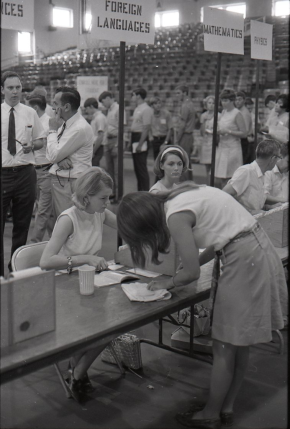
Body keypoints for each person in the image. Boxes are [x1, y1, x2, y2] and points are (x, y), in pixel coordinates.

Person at [117, 183, 287, 429]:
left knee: (225, 344)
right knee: (237, 341)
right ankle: (225, 406)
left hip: (244, 257)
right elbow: (219, 235)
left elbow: (192, 275)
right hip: (250, 248)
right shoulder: (179, 196)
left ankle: (211, 414)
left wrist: (169, 282)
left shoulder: (175, 216)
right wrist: (189, 264)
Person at [40, 167, 117, 402]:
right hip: (64, 286)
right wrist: (86, 258)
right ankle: (78, 372)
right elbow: (46, 262)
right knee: (101, 328)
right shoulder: (68, 219)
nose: (107, 203)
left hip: (88, 283)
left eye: (109, 198)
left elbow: (127, 224)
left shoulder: (99, 212)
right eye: (103, 198)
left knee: (114, 325)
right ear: (87, 196)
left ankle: (77, 371)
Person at [1, 71, 45, 271]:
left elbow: (41, 140)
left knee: (22, 225)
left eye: (18, 87)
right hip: (2, 174)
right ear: (2, 90)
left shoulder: (30, 112)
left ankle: (14, 268)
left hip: (25, 173)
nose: (15, 91)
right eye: (10, 87)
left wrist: (32, 146)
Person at [46, 87, 94, 218]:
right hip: (64, 180)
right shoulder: (65, 123)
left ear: (66, 107)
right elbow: (51, 150)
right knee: (61, 221)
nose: (52, 107)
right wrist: (59, 158)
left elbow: (52, 154)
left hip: (70, 182)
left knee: (67, 222)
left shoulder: (78, 128)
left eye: (55, 103)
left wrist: (51, 131)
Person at [222, 139, 280, 215]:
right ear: (272, 159)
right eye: (278, 158)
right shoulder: (246, 171)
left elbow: (255, 206)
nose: (278, 161)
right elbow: (224, 195)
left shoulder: (264, 175)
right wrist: (250, 212)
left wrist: (269, 208)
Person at [27, 94, 54, 243]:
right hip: (37, 170)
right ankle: (56, 240)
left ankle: (34, 242)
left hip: (45, 170)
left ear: (35, 108)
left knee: (43, 210)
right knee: (46, 211)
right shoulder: (38, 123)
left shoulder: (47, 124)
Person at [215, 89, 247, 189]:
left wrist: (228, 131)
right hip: (222, 147)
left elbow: (244, 133)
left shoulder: (237, 113)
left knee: (230, 178)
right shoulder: (223, 112)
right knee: (221, 177)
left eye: (226, 100)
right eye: (222, 100)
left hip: (233, 148)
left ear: (232, 100)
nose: (223, 103)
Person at [130, 87, 153, 191]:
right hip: (135, 137)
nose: (132, 97)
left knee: (141, 167)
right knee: (137, 168)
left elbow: (146, 127)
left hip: (140, 137)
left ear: (138, 96)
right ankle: (140, 190)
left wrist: (140, 143)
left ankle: (145, 191)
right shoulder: (137, 108)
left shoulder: (146, 109)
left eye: (133, 95)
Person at [99, 91, 119, 202]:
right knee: (110, 171)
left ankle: (118, 194)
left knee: (116, 171)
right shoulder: (109, 111)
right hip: (108, 141)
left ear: (108, 98)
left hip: (115, 141)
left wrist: (117, 145)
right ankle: (113, 193)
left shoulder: (118, 109)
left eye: (103, 102)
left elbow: (122, 128)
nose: (103, 104)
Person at [174, 85, 195, 180]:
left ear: (185, 93)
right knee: (187, 160)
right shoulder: (190, 104)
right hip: (188, 135)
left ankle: (184, 184)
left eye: (178, 93)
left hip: (185, 136)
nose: (177, 95)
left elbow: (182, 125)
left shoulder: (185, 106)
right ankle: (189, 182)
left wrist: (177, 139)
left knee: (182, 160)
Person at [199, 96, 220, 184]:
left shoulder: (219, 115)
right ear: (206, 104)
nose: (211, 105)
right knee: (207, 167)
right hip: (206, 142)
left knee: (214, 166)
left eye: (213, 103)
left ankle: (214, 184)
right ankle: (208, 184)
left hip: (214, 142)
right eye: (209, 103)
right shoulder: (203, 116)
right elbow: (201, 132)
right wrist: (204, 121)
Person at [264, 142, 289, 207]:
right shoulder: (268, 171)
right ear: (281, 156)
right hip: (272, 212)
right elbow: (264, 197)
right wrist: (285, 200)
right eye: (288, 162)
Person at [84, 97, 107, 167]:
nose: (86, 111)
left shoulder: (100, 117)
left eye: (87, 108)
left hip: (97, 146)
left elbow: (100, 136)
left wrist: (93, 151)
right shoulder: (95, 117)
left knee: (94, 167)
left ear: (91, 106)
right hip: (94, 145)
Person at [235, 91, 252, 164]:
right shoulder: (238, 111)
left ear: (244, 100)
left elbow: (245, 131)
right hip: (240, 139)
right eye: (236, 100)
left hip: (244, 140)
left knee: (241, 163)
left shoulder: (244, 113)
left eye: (239, 99)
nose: (237, 102)